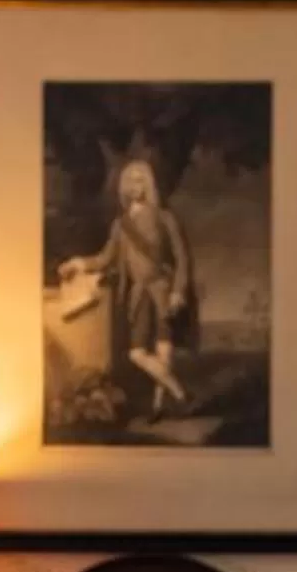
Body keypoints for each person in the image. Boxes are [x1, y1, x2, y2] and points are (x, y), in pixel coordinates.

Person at [59, 157, 195, 416]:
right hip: (138, 295)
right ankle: (180, 393)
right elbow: (105, 259)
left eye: (140, 180)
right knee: (137, 353)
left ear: (149, 184)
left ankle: (159, 407)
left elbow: (182, 258)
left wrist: (178, 291)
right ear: (123, 187)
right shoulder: (120, 225)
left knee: (164, 352)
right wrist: (79, 263)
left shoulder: (165, 217)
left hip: (163, 291)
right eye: (130, 181)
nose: (136, 186)